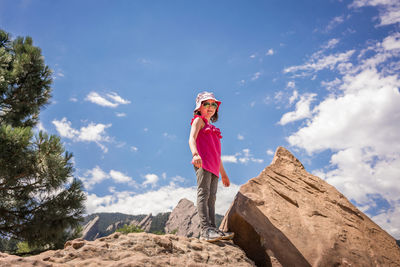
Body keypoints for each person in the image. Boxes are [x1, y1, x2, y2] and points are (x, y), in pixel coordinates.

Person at [188, 91, 234, 242]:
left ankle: (213, 229)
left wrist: (224, 174)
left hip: (214, 168)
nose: (210, 107)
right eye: (206, 104)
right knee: (204, 193)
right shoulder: (198, 121)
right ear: (199, 108)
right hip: (202, 163)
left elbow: (217, 155)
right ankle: (205, 230)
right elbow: (191, 139)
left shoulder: (213, 129)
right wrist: (195, 154)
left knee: (212, 198)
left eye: (213, 104)